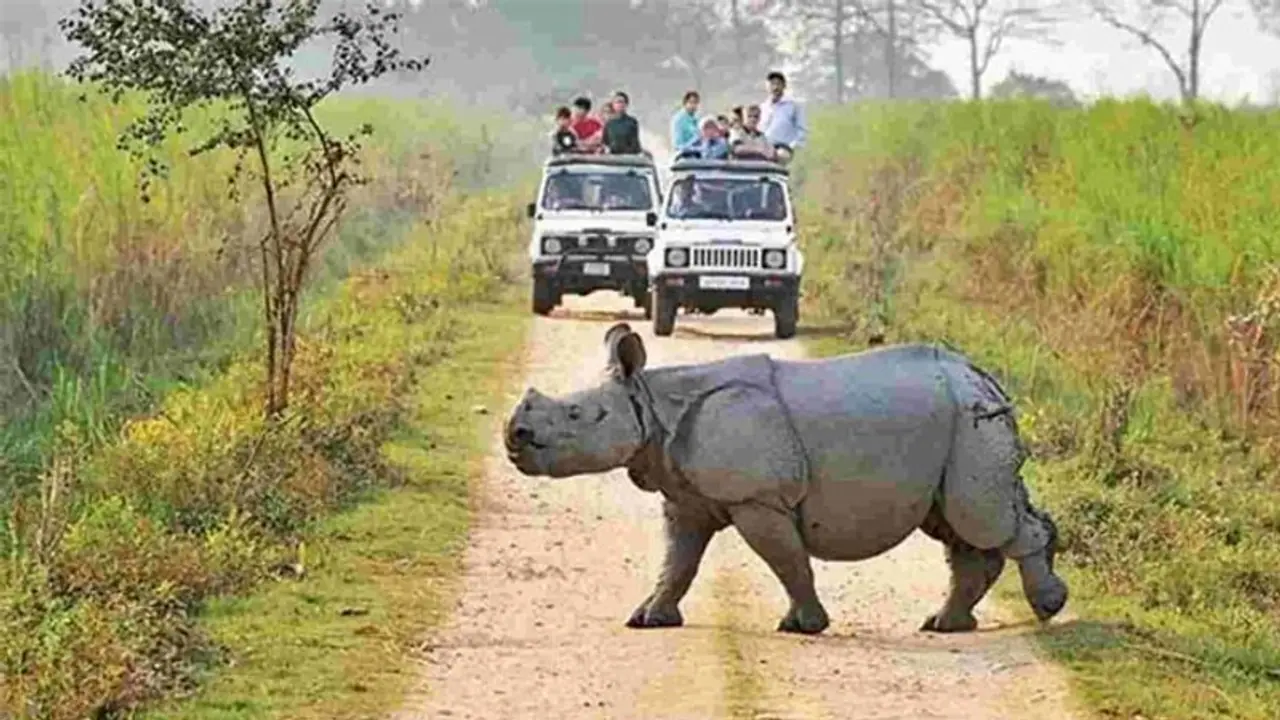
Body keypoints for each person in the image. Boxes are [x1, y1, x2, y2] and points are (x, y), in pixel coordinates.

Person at [759, 70, 807, 164]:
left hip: (784, 147)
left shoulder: (793, 105)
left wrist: (793, 146)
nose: (775, 87)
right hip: (765, 147)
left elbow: (801, 129)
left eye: (778, 84)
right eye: (772, 84)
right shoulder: (763, 107)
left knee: (779, 157)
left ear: (784, 86)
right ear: (767, 86)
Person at [602, 90, 642, 155]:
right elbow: (605, 142)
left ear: (626, 104)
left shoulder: (632, 122)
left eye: (621, 102)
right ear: (613, 105)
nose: (619, 104)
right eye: (616, 102)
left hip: (629, 157)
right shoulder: (609, 123)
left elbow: (635, 143)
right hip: (613, 157)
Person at [670, 90, 700, 155]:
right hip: (683, 156)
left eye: (696, 103)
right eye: (691, 102)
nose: (693, 105)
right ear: (685, 103)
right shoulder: (679, 119)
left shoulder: (697, 119)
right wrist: (695, 140)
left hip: (697, 155)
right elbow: (678, 145)